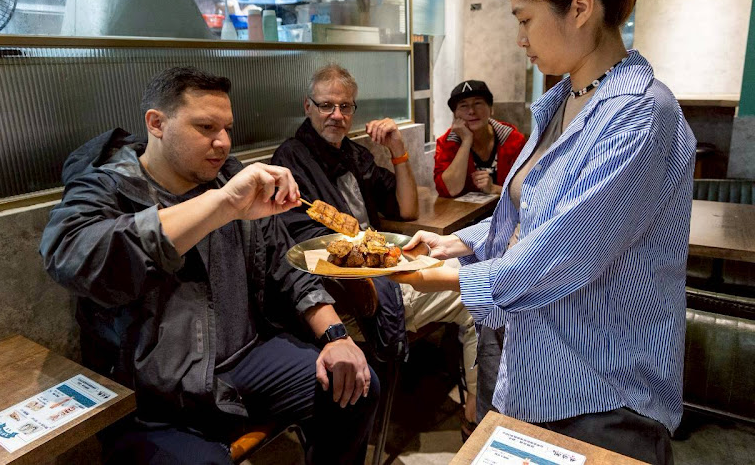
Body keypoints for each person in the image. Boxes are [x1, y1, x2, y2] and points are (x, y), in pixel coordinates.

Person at [392, 0, 693, 464]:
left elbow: (563, 252)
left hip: (602, 391)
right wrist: (457, 245)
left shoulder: (641, 114)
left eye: (525, 19)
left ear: (580, 8)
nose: (519, 38)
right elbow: (534, 216)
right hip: (535, 369)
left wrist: (434, 278)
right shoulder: (562, 100)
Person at [39, 67, 379, 465]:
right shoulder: (106, 187)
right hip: (156, 396)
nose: (223, 142)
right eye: (206, 127)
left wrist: (336, 336)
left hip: (248, 360)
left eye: (227, 127)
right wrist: (221, 207)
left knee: (359, 386)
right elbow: (72, 257)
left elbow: (288, 267)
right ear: (157, 123)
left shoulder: (228, 176)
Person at [271, 63, 482, 439]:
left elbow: (407, 210)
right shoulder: (291, 160)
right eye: (326, 106)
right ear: (308, 106)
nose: (337, 115)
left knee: (473, 264)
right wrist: (379, 257)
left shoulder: (354, 154)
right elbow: (305, 245)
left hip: (385, 266)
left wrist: (398, 152)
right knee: (478, 300)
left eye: (346, 107)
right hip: (356, 291)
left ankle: (472, 399)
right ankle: (478, 419)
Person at [434, 80, 526, 198]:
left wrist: (494, 188)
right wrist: (466, 142)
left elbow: (527, 189)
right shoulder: (447, 143)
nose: (471, 111)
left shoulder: (513, 140)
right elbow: (450, 190)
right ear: (455, 115)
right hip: (466, 214)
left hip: (509, 213)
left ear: (491, 109)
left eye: (478, 103)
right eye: (463, 106)